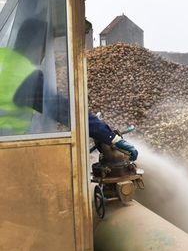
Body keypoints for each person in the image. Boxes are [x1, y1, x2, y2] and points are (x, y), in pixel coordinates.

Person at [0, 19, 138, 160]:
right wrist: (111, 137)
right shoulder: (24, 75)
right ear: (37, 45)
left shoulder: (2, 56)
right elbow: (63, 109)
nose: (45, 54)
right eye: (46, 47)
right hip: (7, 153)